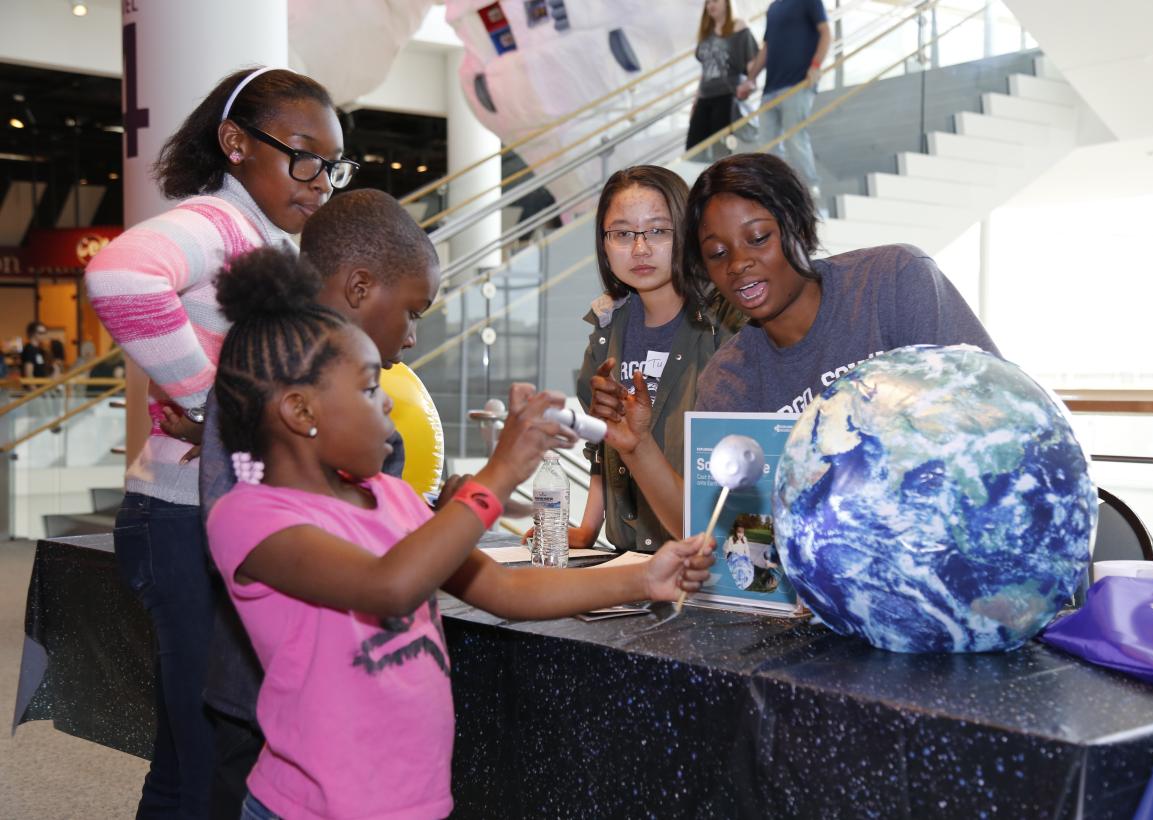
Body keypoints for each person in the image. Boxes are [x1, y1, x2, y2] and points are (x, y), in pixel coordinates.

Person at [204, 254, 714, 819]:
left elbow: (504, 590)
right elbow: (389, 586)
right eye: (372, 389)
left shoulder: (391, 496)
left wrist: (644, 577)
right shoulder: (250, 518)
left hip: (415, 804)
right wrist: (499, 474)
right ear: (302, 411)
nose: (391, 403)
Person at [84, 66, 355, 819]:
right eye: (303, 157)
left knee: (192, 760)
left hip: (210, 514)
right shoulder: (218, 222)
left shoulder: (268, 239)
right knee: (209, 762)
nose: (320, 181)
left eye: (332, 166)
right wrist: (217, 405)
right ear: (236, 143)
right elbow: (120, 274)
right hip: (184, 517)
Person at [197, 189, 440, 819]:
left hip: (349, 698)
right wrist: (488, 488)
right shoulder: (268, 377)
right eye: (413, 311)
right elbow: (248, 518)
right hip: (270, 687)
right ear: (359, 288)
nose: (412, 337)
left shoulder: (350, 393)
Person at [684, 152, 999, 414]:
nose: (738, 263)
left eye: (758, 238)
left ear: (801, 229)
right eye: (718, 253)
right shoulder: (728, 382)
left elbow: (995, 402)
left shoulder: (893, 282)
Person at [573, 165, 741, 551]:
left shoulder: (723, 329)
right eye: (622, 233)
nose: (640, 248)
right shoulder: (606, 331)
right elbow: (603, 440)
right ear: (604, 243)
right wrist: (587, 528)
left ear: (686, 233)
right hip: (626, 557)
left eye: (658, 231)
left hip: (705, 557)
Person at [745, 0, 831, 199]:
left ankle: (810, 190)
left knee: (795, 138)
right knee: (767, 144)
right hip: (771, 87)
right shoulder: (774, 8)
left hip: (798, 83)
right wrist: (751, 78)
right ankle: (774, 192)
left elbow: (825, 33)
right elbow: (767, 48)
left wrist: (816, 65)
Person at [685, 0, 759, 155]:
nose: (710, 6)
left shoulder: (739, 28)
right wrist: (695, 101)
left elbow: (752, 61)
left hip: (726, 96)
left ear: (727, 3)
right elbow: (705, 71)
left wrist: (750, 82)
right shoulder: (706, 33)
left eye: (715, 1)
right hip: (705, 97)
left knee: (721, 149)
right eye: (708, 2)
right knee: (693, 147)